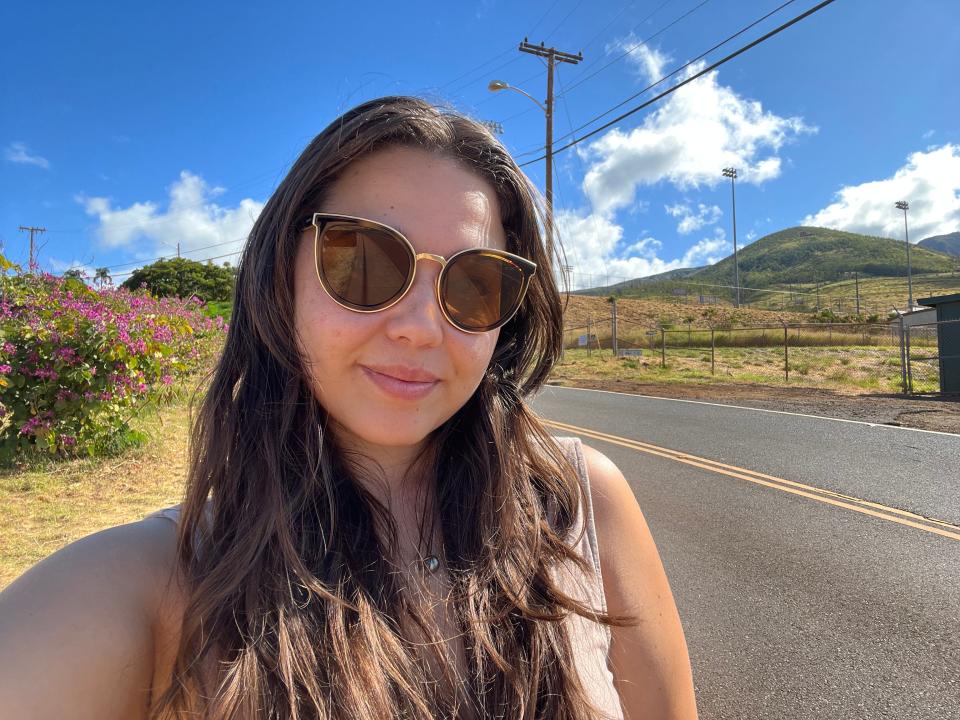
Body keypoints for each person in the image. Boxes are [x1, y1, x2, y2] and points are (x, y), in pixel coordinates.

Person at [0, 96, 697, 719]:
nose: (421, 326)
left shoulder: (581, 507)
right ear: (282, 278)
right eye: (363, 260)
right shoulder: (162, 583)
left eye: (477, 282)